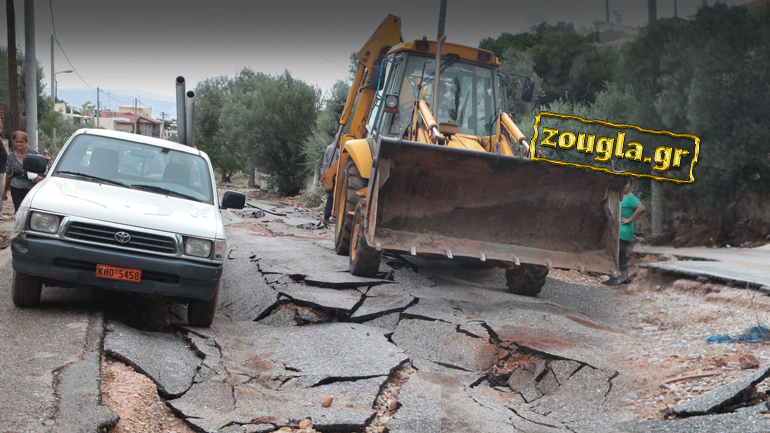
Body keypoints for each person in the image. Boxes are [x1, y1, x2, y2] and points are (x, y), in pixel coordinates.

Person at [604, 177, 645, 286]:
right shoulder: (621, 197)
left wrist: (629, 219)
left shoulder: (631, 198)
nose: (625, 185)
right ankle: (615, 277)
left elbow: (641, 208)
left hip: (625, 230)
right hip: (618, 230)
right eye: (624, 183)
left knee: (621, 255)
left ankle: (622, 279)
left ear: (631, 184)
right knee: (615, 255)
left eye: (627, 183)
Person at [2, 131, 43, 213]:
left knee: (30, 212)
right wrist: (5, 192)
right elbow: (9, 175)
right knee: (18, 211)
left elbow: (42, 170)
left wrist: (40, 178)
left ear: (26, 142)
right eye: (16, 142)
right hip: (16, 188)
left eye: (21, 142)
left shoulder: (33, 154)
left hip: (31, 188)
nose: (19, 144)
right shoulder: (11, 157)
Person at [321, 141, 339, 225]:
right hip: (331, 176)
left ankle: (327, 216)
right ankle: (327, 217)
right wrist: (335, 177)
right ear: (338, 139)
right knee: (331, 196)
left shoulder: (331, 148)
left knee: (331, 196)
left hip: (328, 176)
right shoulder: (333, 149)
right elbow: (333, 165)